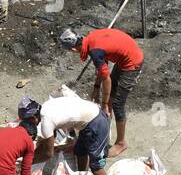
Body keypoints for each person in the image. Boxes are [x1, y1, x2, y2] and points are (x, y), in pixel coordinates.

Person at [59, 27, 144, 156]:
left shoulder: (95, 51)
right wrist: (96, 88)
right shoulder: (90, 39)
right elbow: (103, 68)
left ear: (73, 49)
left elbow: (107, 78)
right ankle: (104, 132)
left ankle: (121, 143)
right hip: (124, 57)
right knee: (110, 97)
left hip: (132, 62)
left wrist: (104, 104)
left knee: (117, 104)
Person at [36, 89, 113, 175]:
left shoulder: (46, 121)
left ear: (35, 119)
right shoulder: (45, 107)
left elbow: (47, 153)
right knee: (80, 152)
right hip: (87, 121)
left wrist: (30, 161)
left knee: (97, 167)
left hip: (97, 123)